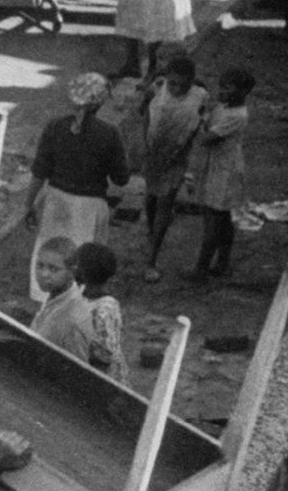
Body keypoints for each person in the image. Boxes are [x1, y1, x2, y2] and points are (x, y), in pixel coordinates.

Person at [25, 73, 129, 303]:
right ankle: (76, 305)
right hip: (89, 208)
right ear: (100, 102)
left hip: (56, 202)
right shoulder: (109, 134)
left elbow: (39, 172)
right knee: (83, 260)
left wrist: (29, 205)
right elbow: (121, 178)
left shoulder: (55, 127)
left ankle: (46, 302)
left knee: (52, 255)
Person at [142, 53, 208, 267]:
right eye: (173, 84)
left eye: (184, 85)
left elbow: (200, 123)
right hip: (153, 154)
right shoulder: (157, 88)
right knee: (151, 199)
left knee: (164, 203)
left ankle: (151, 260)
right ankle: (153, 232)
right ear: (166, 78)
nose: (178, 89)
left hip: (177, 159)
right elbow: (142, 113)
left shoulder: (200, 96)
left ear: (192, 81)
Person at [189, 67, 255, 277]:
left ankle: (201, 269)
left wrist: (195, 121)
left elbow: (207, 139)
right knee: (224, 220)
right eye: (222, 87)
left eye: (228, 88)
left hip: (223, 173)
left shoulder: (237, 116)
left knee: (213, 220)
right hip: (221, 168)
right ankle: (222, 263)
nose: (222, 91)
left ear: (243, 91)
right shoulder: (224, 107)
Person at [29, 237, 94, 365]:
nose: (43, 274)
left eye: (53, 269)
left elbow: (77, 372)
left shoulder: (73, 322)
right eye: (40, 265)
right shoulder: (54, 298)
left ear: (72, 272)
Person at [76, 243, 130, 384]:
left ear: (84, 273)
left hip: (104, 379)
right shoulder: (81, 297)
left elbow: (106, 354)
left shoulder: (104, 309)